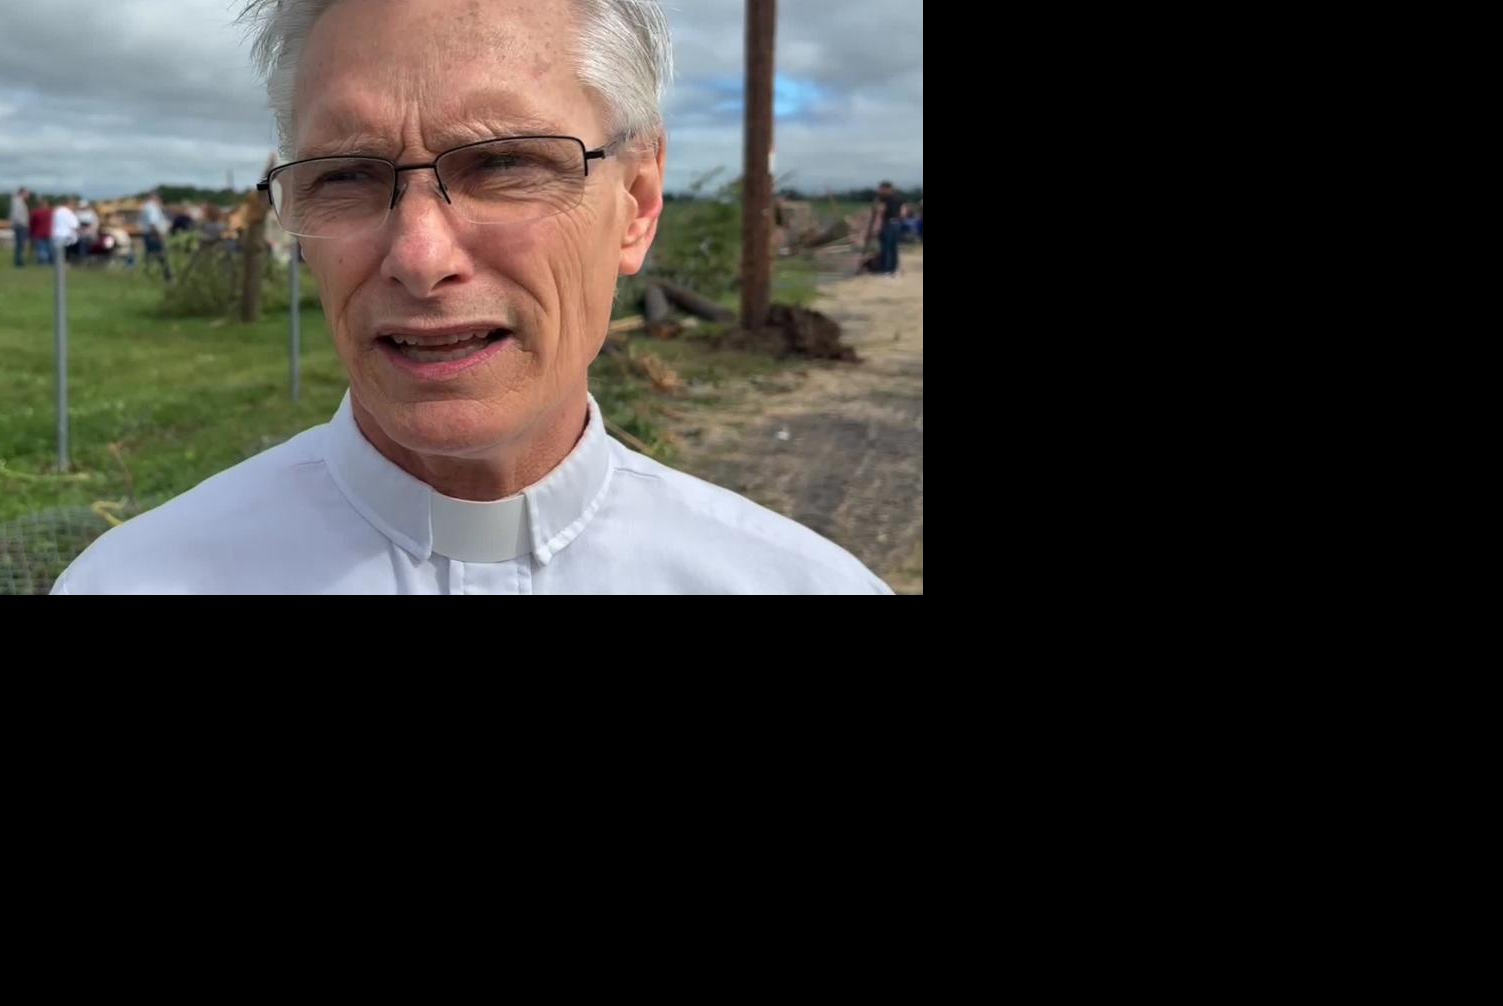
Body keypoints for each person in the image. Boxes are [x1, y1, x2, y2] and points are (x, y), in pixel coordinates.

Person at [52, 0, 889, 595]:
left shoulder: (798, 581)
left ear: (636, 205)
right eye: (346, 175)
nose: (420, 257)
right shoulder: (135, 580)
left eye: (504, 164)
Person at [870, 181, 905, 276]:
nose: (879, 190)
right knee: (894, 247)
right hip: (896, 224)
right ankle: (894, 269)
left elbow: (880, 213)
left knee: (886, 247)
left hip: (887, 224)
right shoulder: (898, 197)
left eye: (881, 189)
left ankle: (886, 270)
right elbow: (903, 212)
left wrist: (876, 227)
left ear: (886, 189)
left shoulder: (883, 199)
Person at [138, 190, 173, 282]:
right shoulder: (152, 208)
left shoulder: (148, 207)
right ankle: (168, 278)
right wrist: (160, 235)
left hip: (150, 235)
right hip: (153, 235)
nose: (160, 200)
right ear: (155, 197)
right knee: (161, 256)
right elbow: (153, 223)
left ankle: (147, 276)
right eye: (159, 198)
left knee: (150, 257)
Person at [29, 200, 55, 266]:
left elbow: (32, 224)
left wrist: (31, 233)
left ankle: (43, 263)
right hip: (49, 233)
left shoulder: (36, 213)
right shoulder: (51, 212)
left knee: (42, 249)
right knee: (50, 249)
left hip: (39, 233)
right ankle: (51, 262)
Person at [10, 188, 30, 267]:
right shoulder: (18, 202)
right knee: (20, 244)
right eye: (26, 193)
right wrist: (23, 223)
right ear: (22, 193)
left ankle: (19, 261)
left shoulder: (18, 201)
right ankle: (19, 262)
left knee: (20, 245)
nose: (28, 195)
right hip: (20, 226)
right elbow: (16, 215)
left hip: (20, 225)